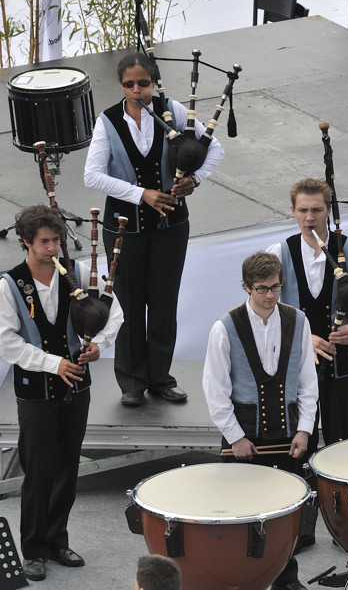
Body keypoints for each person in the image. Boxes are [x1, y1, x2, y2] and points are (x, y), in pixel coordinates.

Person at [84, 51, 224, 407]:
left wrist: (195, 179)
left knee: (163, 302)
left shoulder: (172, 111)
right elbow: (92, 175)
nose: (136, 91)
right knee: (129, 305)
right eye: (129, 84)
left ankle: (161, 378)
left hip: (170, 226)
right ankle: (131, 381)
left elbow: (213, 149)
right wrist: (141, 194)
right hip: (124, 228)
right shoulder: (108, 121)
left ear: (154, 83)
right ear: (121, 86)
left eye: (143, 84)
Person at [0, 205, 123, 582]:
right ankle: (34, 550)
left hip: (77, 388)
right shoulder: (10, 284)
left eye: (56, 240)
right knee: (38, 471)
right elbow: (7, 341)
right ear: (26, 242)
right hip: (35, 391)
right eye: (44, 242)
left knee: (68, 468)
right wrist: (55, 364)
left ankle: (58, 540)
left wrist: (99, 344)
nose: (52, 248)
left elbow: (113, 312)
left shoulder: (78, 273)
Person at [201, 251, 317, 590]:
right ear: (246, 287)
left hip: (288, 433)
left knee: (285, 514)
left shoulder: (298, 321)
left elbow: (308, 382)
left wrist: (305, 429)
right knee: (241, 514)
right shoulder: (224, 328)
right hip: (244, 437)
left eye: (276, 288)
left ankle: (286, 581)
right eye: (262, 289)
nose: (270, 296)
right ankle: (241, 580)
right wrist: (235, 437)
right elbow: (215, 389)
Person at [266, 178, 348, 445]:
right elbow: (261, 307)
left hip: (341, 364)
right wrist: (301, 337)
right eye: (302, 210)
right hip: (294, 364)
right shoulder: (279, 253)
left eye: (316, 210)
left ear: (328, 210)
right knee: (298, 442)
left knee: (342, 443)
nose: (309, 218)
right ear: (292, 210)